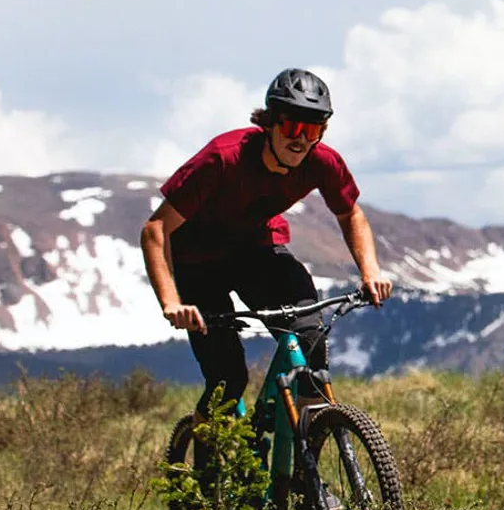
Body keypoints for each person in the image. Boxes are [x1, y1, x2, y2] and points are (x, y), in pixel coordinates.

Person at [141, 68, 393, 418]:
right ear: (270, 122)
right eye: (292, 126)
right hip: (198, 262)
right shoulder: (222, 158)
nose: (301, 139)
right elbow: (155, 230)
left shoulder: (322, 162)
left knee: (310, 341)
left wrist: (370, 271)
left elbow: (350, 213)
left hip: (255, 250)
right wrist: (171, 303)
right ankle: (202, 454)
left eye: (312, 130)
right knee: (227, 381)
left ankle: (309, 441)